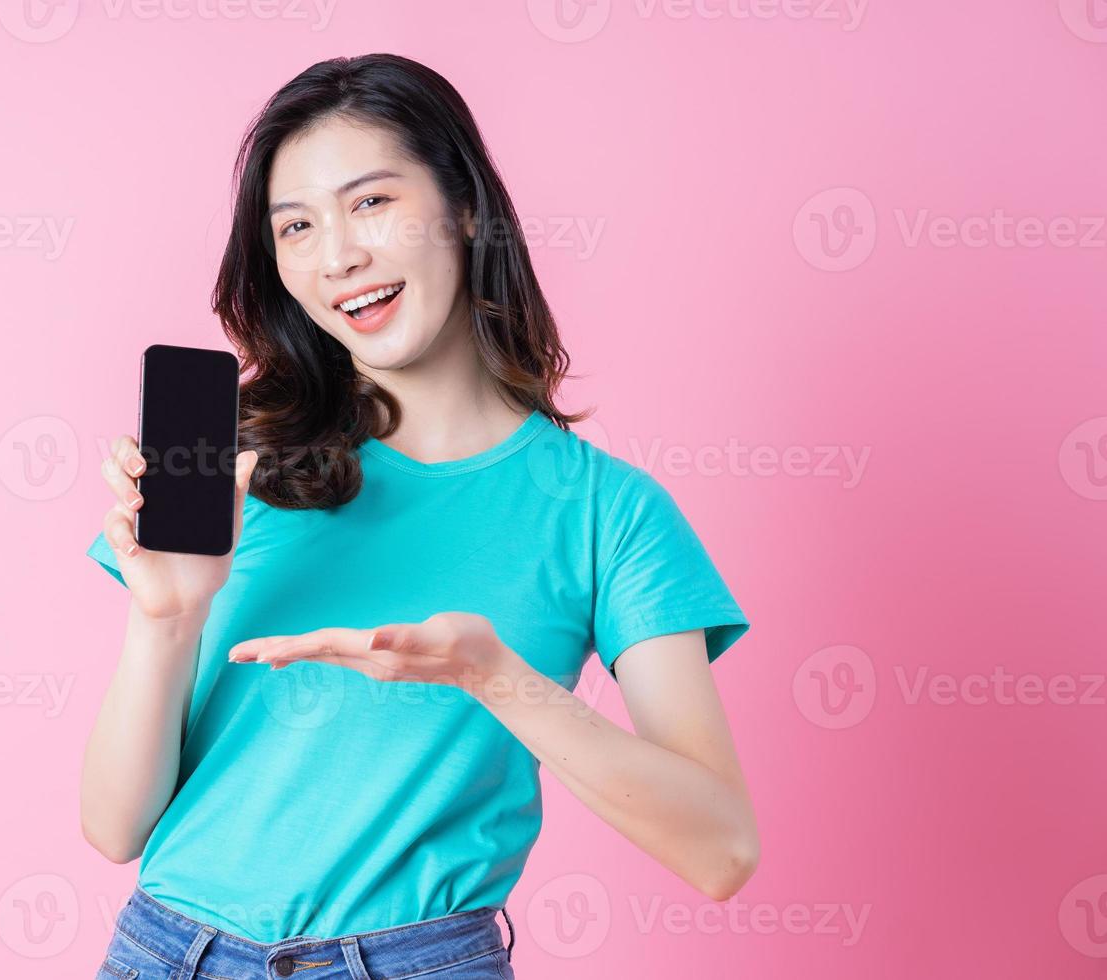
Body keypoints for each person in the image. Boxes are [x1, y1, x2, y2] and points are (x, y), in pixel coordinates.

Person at [81, 53, 757, 980]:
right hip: (169, 952)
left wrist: (493, 678)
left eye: (371, 203)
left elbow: (719, 850)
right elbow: (114, 829)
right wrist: (166, 618)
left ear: (465, 207)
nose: (338, 256)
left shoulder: (609, 513)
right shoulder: (239, 460)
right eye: (296, 226)